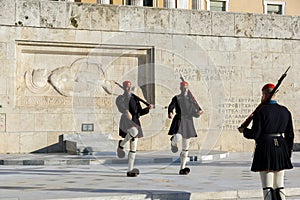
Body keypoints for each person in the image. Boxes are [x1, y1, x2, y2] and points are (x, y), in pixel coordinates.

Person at [238, 83, 294, 200]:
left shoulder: (261, 111)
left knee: (267, 186)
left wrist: (244, 131)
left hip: (265, 147)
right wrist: (288, 152)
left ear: (264, 95)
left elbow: (255, 134)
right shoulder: (285, 111)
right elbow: (290, 135)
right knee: (280, 185)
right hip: (281, 147)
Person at [116, 80, 153, 177]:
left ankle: (130, 170)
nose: (129, 88)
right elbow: (120, 106)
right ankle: (122, 144)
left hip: (135, 121)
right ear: (124, 88)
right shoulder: (121, 98)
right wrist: (126, 110)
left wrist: (148, 108)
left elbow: (139, 112)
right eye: (127, 86)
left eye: (130, 86)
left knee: (133, 147)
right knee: (133, 131)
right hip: (126, 121)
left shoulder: (135, 99)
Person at [168, 81, 203, 175]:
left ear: (188, 89)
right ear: (180, 89)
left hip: (188, 121)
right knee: (177, 137)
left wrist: (198, 114)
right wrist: (170, 112)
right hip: (179, 119)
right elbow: (171, 106)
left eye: (186, 88)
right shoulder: (177, 98)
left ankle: (182, 168)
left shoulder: (191, 100)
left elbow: (193, 113)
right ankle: (173, 142)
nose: (184, 90)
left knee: (185, 148)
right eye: (183, 88)